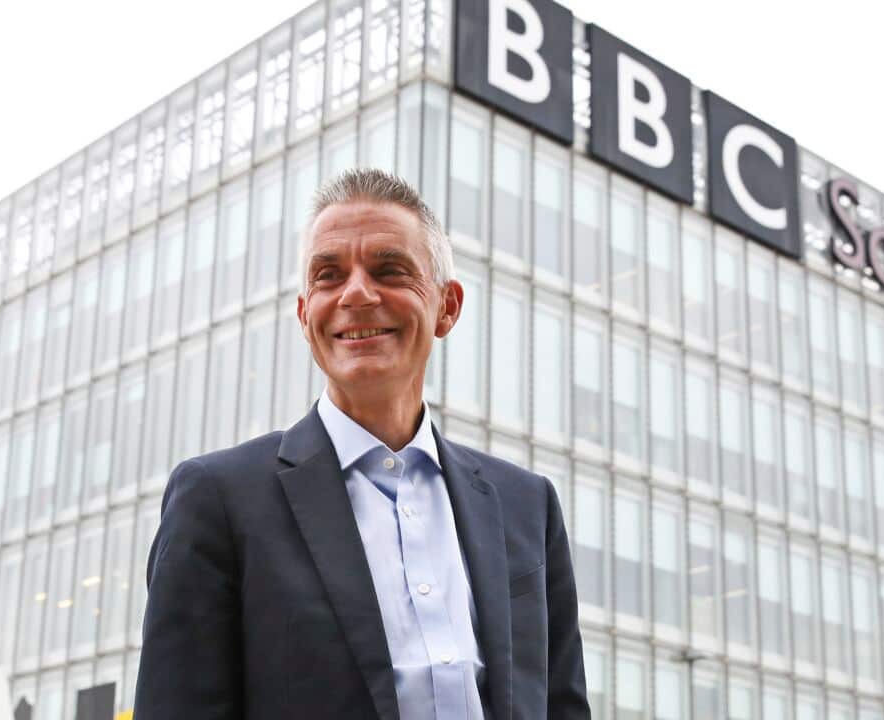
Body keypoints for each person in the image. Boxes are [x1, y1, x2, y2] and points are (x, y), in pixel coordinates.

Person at [133, 168, 590, 719]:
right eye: (327, 276)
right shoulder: (218, 498)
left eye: (389, 269)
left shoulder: (527, 505)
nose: (356, 292)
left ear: (447, 306)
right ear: (306, 316)